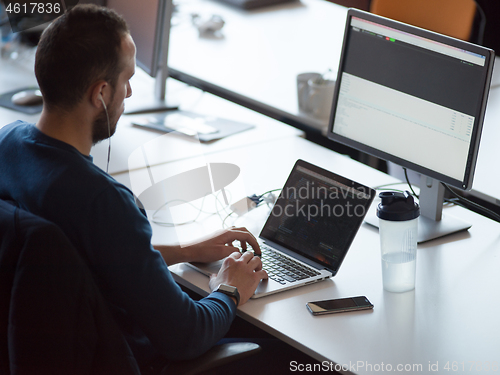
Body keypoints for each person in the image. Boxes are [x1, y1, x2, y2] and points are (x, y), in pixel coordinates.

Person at [0, 4, 268, 373]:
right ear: (100, 94)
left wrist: (188, 249)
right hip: (113, 357)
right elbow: (186, 334)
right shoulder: (102, 202)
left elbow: (87, 254)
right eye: (126, 80)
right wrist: (229, 287)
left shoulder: (7, 144)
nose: (128, 93)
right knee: (273, 347)